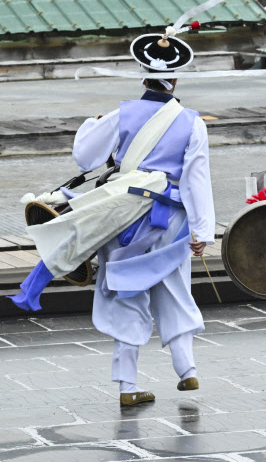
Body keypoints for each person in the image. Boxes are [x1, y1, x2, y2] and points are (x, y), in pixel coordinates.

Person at [8, 29, 215, 406]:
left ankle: (127, 386)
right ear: (177, 77)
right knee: (174, 289)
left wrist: (93, 122)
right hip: (170, 221)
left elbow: (85, 158)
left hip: (123, 217)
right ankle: (188, 370)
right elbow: (197, 180)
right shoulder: (193, 122)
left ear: (142, 73)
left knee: (125, 291)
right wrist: (203, 230)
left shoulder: (122, 114)